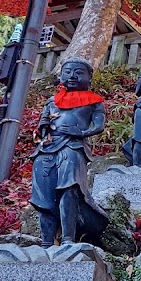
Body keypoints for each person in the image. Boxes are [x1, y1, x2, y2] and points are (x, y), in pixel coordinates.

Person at [31, 58, 109, 247]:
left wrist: (82, 133)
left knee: (69, 187)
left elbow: (99, 126)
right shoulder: (52, 102)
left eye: (78, 72)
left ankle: (68, 238)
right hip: (47, 147)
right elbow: (43, 125)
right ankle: (47, 242)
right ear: (60, 75)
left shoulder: (94, 102)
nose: (72, 76)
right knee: (43, 195)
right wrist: (42, 128)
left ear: (89, 77)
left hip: (73, 146)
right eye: (67, 72)